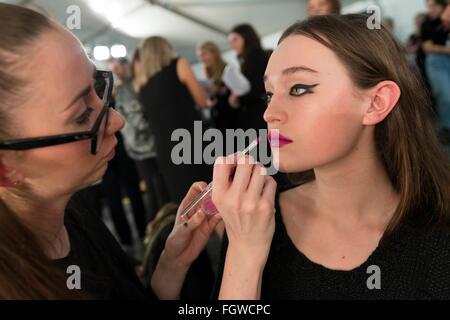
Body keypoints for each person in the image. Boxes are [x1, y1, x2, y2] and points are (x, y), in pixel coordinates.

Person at [211, 14, 450, 299]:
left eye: (298, 88)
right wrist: (244, 253)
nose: (269, 113)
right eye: (269, 94)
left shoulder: (437, 237)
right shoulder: (253, 219)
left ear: (377, 102)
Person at [0, 3, 222, 299]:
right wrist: (246, 256)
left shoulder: (72, 215)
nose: (117, 120)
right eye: (81, 115)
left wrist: (173, 260)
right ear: (5, 168)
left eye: (98, 86)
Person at [136, 36, 213, 204]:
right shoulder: (179, 65)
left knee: (187, 203)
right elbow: (202, 101)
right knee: (211, 195)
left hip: (166, 150)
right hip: (191, 141)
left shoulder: (141, 85)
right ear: (166, 49)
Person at [110, 55, 169, 222]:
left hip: (139, 147)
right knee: (158, 190)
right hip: (145, 147)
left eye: (116, 68)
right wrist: (156, 129)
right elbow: (136, 120)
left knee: (155, 189)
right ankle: (160, 230)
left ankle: (157, 230)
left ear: (125, 66)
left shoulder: (127, 87)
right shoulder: (127, 87)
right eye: (113, 69)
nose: (115, 73)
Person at [228, 24, 271, 131]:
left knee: (270, 146)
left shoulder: (255, 57)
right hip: (262, 115)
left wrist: (238, 98)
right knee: (275, 145)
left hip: (261, 116)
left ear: (246, 37)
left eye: (235, 40)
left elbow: (256, 89)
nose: (232, 45)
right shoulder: (251, 58)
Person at [421, 0, 450, 143]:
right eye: (428, 6)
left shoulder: (446, 19)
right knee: (446, 95)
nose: (429, 9)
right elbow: (427, 47)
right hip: (436, 62)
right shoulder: (427, 23)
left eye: (433, 6)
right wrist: (447, 50)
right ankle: (446, 127)